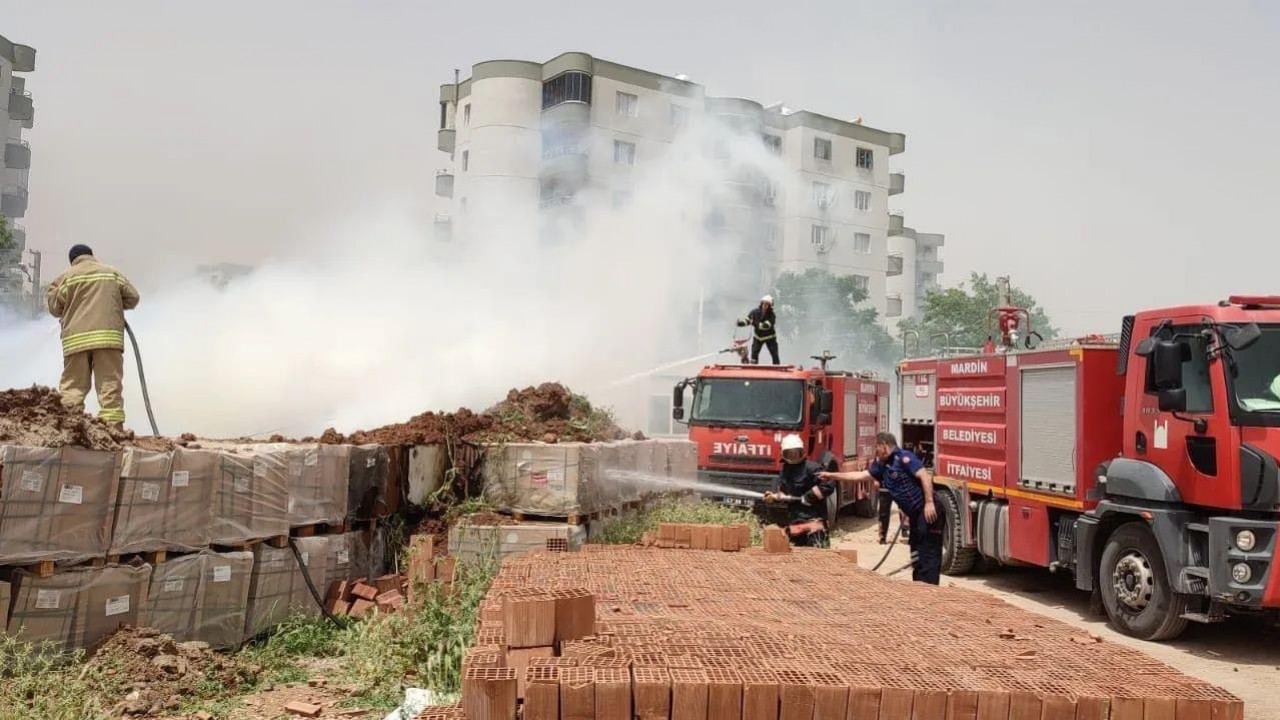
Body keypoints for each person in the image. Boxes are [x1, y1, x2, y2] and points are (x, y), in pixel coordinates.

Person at [819, 432, 942, 584]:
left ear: (884, 445)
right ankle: (919, 587)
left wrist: (929, 502)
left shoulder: (903, 458)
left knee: (928, 552)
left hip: (928, 510)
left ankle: (930, 588)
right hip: (915, 515)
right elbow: (860, 476)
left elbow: (924, 475)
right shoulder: (881, 465)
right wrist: (832, 476)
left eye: (876, 447)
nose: (875, 451)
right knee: (916, 551)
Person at [46, 245, 140, 428]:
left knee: (73, 388)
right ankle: (113, 430)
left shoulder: (66, 277)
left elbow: (55, 308)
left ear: (72, 260)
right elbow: (133, 297)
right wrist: (112, 302)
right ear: (91, 256)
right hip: (108, 338)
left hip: (76, 341)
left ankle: (70, 429)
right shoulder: (111, 273)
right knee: (109, 386)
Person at [763, 434, 835, 547]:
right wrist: (774, 497)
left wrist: (808, 497)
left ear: (802, 452)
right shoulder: (785, 470)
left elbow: (828, 485)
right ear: (783, 454)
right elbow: (783, 492)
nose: (793, 456)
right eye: (789, 453)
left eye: (796, 453)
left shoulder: (812, 468)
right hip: (795, 525)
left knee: (818, 557)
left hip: (814, 524)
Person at [737, 295, 779, 365]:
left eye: (767, 304)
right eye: (763, 303)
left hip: (770, 338)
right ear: (761, 304)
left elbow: (765, 326)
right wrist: (740, 323)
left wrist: (753, 323)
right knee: (754, 354)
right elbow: (747, 320)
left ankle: (778, 368)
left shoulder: (772, 316)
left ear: (770, 306)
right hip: (758, 338)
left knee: (774, 354)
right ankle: (754, 367)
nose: (764, 306)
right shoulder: (754, 312)